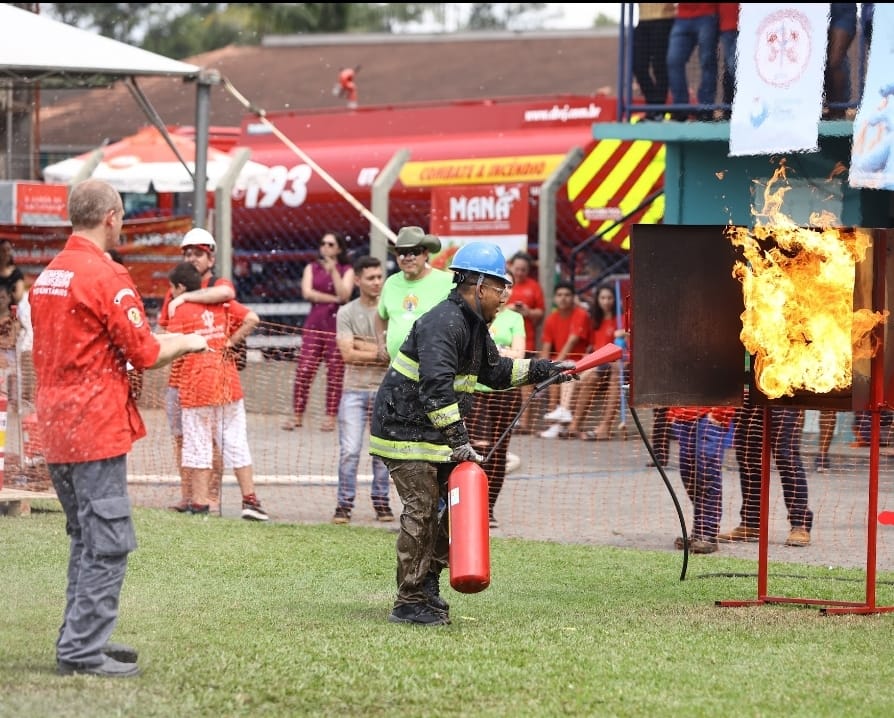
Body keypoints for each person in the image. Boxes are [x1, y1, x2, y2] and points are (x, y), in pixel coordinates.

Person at [30, 179, 208, 678]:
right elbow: (146, 353)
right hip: (94, 426)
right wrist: (188, 343)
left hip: (58, 427)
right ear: (111, 217)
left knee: (86, 539)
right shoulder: (106, 275)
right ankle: (83, 651)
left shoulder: (50, 274)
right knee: (107, 542)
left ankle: (82, 638)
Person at [369, 241, 577, 626]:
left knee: (453, 511)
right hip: (404, 432)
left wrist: (544, 369)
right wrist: (460, 442)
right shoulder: (442, 323)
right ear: (479, 286)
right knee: (423, 511)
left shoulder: (473, 326)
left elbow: (495, 373)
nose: (504, 297)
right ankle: (409, 601)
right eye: (501, 288)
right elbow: (436, 388)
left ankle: (426, 584)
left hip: (433, 435)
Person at [165, 261, 269, 521]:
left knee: (198, 443)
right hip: (227, 383)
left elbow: (170, 344)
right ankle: (250, 500)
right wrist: (228, 342)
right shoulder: (221, 304)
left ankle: (200, 502)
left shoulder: (180, 309)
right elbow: (252, 318)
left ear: (179, 287)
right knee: (236, 442)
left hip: (196, 386)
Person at [159, 227, 234, 513]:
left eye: (198, 254)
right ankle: (188, 493)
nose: (192, 259)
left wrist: (187, 298)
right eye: (188, 253)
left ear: (210, 258)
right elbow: (166, 327)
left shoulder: (217, 283)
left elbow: (227, 293)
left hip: (210, 377)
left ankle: (211, 494)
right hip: (179, 376)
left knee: (212, 439)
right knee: (181, 438)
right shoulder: (174, 288)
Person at [332, 255, 393, 524]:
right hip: (354, 389)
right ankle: (343, 505)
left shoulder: (391, 309)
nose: (377, 282)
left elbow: (397, 351)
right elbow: (347, 353)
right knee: (350, 450)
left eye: (380, 276)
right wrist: (379, 350)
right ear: (357, 280)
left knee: (383, 452)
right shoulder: (347, 312)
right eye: (371, 277)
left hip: (385, 390)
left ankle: (382, 503)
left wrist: (361, 345)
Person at [465, 272, 526, 529]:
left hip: (507, 392)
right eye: (501, 285)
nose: (505, 291)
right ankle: (472, 504)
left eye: (509, 286)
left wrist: (495, 352)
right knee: (479, 445)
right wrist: (501, 352)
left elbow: (518, 353)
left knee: (499, 451)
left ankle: (489, 507)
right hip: (477, 389)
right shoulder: (478, 314)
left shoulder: (515, 318)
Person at [718, 391, 814, 547]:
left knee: (786, 455)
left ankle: (800, 524)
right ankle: (751, 523)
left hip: (782, 389)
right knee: (747, 455)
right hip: (748, 392)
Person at [283, 231, 354, 432]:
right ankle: (297, 413)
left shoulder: (345, 269)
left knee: (335, 371)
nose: (326, 247)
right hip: (315, 323)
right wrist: (333, 299)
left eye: (331, 244)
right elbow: (307, 292)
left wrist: (333, 273)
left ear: (339, 248)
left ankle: (330, 416)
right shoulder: (311, 267)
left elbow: (345, 295)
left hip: (335, 324)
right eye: (323, 243)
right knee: (305, 369)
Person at [374, 226, 454, 363]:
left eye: (414, 252)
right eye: (403, 252)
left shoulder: (448, 282)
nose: (408, 258)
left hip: (433, 370)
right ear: (396, 255)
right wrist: (381, 343)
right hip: (396, 372)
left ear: (425, 253)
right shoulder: (391, 283)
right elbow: (380, 316)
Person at [668, 405, 736, 554]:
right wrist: (673, 412)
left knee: (707, 471)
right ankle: (698, 531)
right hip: (683, 415)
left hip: (711, 413)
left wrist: (720, 413)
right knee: (688, 472)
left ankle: (709, 534)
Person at [563, 283, 627, 441]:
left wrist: (625, 334)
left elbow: (628, 348)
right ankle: (575, 425)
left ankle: (604, 426)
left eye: (610, 298)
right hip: (599, 364)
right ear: (597, 300)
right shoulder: (595, 322)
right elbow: (592, 349)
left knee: (607, 371)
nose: (606, 301)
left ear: (615, 300)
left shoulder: (623, 319)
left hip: (617, 363)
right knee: (590, 377)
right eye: (603, 298)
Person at [538, 280, 592, 438]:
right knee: (555, 376)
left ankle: (562, 414)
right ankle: (557, 424)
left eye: (567, 295)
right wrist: (540, 367)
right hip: (563, 363)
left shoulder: (581, 314)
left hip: (583, 362)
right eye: (560, 295)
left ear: (573, 297)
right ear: (554, 298)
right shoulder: (551, 319)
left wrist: (556, 365)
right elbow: (546, 347)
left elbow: (572, 341)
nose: (563, 298)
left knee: (563, 373)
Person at [506, 251, 546, 434]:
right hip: (503, 342)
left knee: (525, 384)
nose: (520, 273)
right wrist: (510, 309)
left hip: (526, 342)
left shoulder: (534, 287)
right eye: (517, 269)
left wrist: (528, 312)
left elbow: (541, 313)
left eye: (524, 270)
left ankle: (525, 423)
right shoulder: (504, 284)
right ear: (511, 266)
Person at [666, 3, 719, 121]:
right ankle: (680, 109)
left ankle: (706, 109)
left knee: (707, 61)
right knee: (673, 60)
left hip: (707, 14)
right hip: (682, 17)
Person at [632, 3, 676, 120]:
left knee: (659, 65)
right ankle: (654, 106)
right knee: (638, 65)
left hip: (664, 18)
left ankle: (658, 109)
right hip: (643, 20)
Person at [824, 4, 858, 119]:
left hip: (843, 13)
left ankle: (839, 108)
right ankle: (832, 107)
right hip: (819, 13)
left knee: (835, 61)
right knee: (826, 62)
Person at [0, 239, 25, 306]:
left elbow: (18, 297)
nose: (6, 253)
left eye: (8, 250)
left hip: (11, 312)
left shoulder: (16, 273)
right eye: (3, 250)